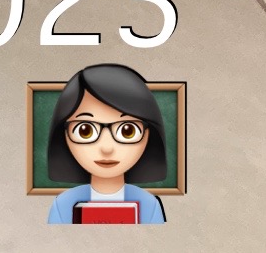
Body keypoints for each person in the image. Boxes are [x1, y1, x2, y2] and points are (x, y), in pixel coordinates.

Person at [42, 63, 170, 223]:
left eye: (127, 131)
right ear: (65, 135)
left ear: (147, 136)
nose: (107, 148)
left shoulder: (150, 206)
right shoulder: (62, 205)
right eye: (85, 131)